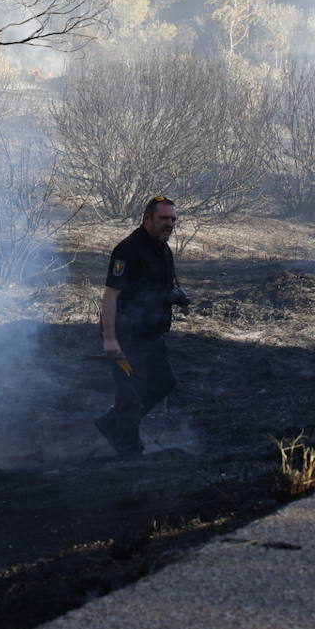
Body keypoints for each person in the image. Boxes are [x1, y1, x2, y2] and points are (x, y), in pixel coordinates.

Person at [95, 195, 189, 457]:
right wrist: (110, 339)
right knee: (130, 394)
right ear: (147, 218)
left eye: (173, 219)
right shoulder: (128, 250)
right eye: (163, 218)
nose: (169, 224)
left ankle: (112, 423)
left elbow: (164, 284)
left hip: (151, 336)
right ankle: (129, 452)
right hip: (125, 337)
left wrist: (177, 294)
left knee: (163, 383)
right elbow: (110, 297)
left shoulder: (163, 248)